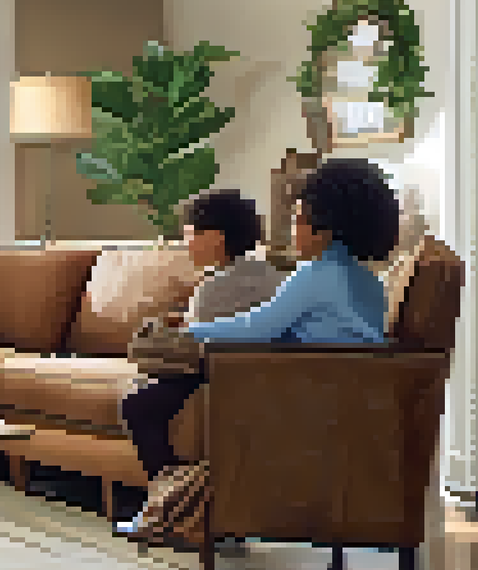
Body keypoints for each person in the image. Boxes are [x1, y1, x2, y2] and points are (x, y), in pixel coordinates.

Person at [116, 161, 400, 535]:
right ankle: (185, 513)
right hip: (350, 400)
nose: (291, 231)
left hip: (300, 397)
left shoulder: (315, 274)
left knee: (146, 400)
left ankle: (177, 515)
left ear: (325, 227)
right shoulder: (371, 282)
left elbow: (257, 326)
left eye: (298, 220)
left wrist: (190, 331)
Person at [115, 189, 284, 525]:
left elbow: (195, 343)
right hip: (255, 371)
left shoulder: (215, 287)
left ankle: (170, 507)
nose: (185, 243)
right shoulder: (272, 276)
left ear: (217, 238)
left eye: (190, 234)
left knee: (137, 404)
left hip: (218, 371)